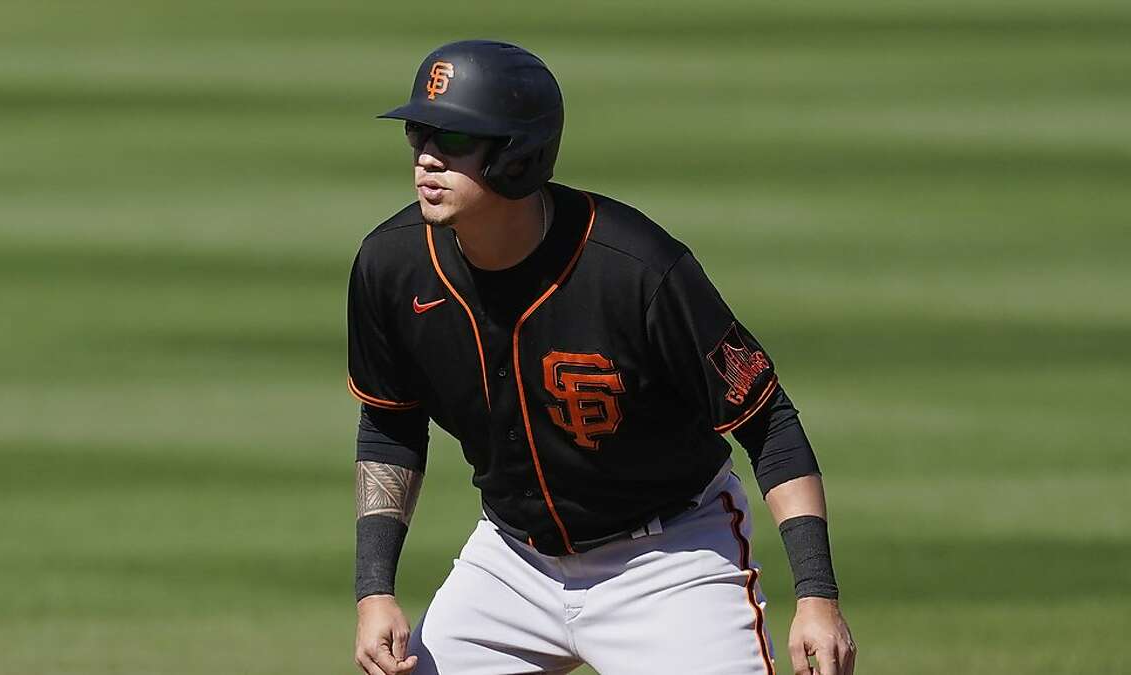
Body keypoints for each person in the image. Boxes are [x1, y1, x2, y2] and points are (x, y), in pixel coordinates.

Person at [349, 40, 856, 675]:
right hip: (511, 565)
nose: (426, 156)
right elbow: (390, 424)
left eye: (453, 139)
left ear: (517, 156)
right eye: (419, 132)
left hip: (668, 564)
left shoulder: (636, 270)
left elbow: (768, 422)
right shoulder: (391, 266)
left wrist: (816, 595)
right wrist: (375, 592)